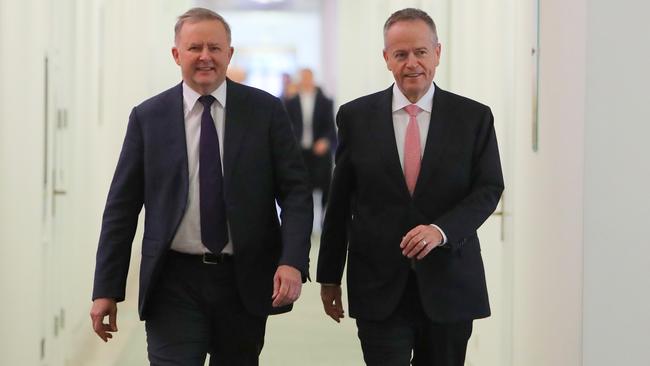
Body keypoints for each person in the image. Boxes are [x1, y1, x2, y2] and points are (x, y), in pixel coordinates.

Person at [89, 7, 313, 366]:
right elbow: (122, 207)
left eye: (214, 47)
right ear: (177, 54)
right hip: (173, 281)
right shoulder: (148, 118)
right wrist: (106, 289)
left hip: (244, 279)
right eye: (194, 48)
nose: (205, 56)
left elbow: (296, 193)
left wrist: (292, 261)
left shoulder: (265, 112)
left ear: (229, 53)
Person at [317, 8, 504, 366]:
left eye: (420, 52)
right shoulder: (356, 117)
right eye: (400, 54)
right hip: (378, 285)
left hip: (450, 283)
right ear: (386, 58)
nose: (411, 63)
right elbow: (339, 202)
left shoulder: (473, 118)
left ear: (438, 52)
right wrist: (329, 276)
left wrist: (441, 230)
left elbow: (488, 188)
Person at [285, 68, 336, 212]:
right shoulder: (291, 102)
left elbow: (331, 128)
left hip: (319, 153)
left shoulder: (325, 102)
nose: (306, 80)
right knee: (301, 188)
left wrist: (325, 141)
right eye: (303, 77)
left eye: (309, 77)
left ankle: (324, 224)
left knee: (325, 188)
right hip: (299, 153)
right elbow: (286, 128)